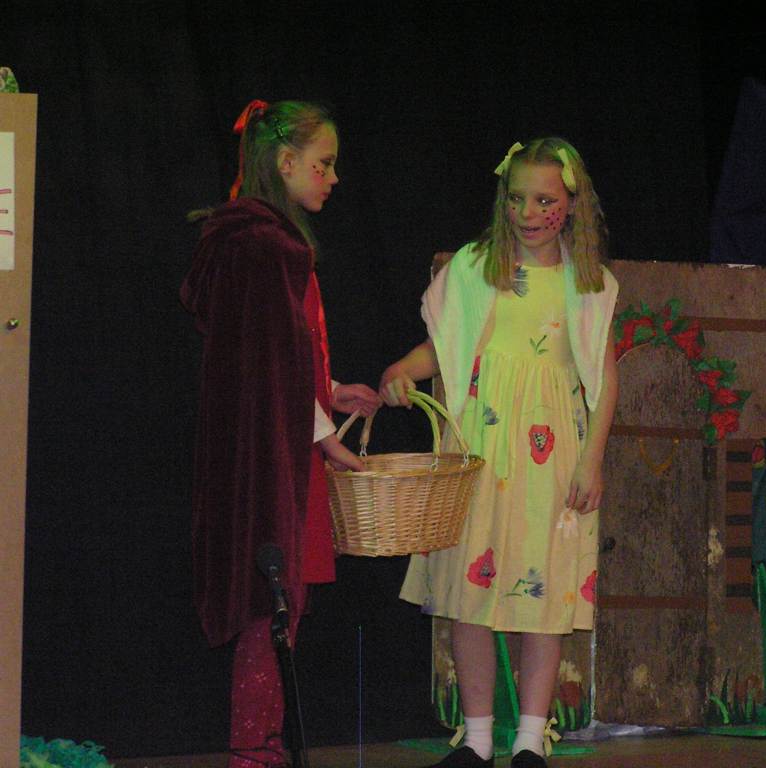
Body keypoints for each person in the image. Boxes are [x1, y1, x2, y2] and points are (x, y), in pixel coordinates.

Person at [380, 138, 619, 768]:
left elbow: (604, 379)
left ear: (572, 204)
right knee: (470, 593)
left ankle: (530, 737)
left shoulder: (588, 282)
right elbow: (443, 348)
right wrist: (402, 369)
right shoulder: (475, 268)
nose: (528, 212)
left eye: (544, 200)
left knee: (544, 599)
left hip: (552, 454)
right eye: (517, 199)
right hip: (481, 447)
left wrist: (591, 459)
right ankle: (478, 736)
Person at [180, 99, 380, 768]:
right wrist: (327, 438)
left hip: (278, 444)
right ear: (286, 163)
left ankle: (259, 745)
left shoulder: (259, 243)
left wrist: (329, 390)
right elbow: (271, 371)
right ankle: (254, 751)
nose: (333, 178)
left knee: (280, 608)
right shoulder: (266, 247)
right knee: (271, 606)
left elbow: (280, 360)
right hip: (275, 458)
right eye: (324, 164)